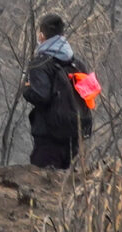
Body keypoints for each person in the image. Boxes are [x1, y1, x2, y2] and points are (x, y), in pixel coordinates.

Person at [20, 14, 92, 170]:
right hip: (74, 133)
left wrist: (26, 88)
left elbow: (40, 95)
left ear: (41, 35)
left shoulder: (41, 62)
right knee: (66, 185)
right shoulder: (77, 63)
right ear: (62, 35)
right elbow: (90, 94)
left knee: (42, 183)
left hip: (49, 136)